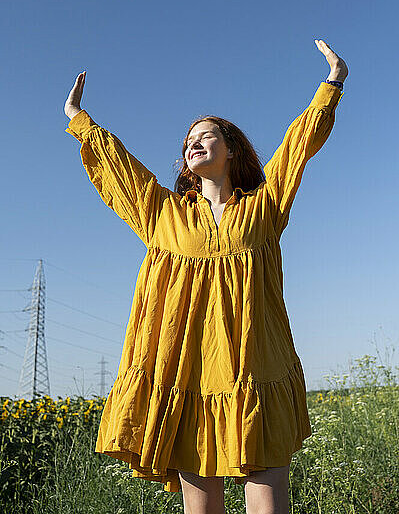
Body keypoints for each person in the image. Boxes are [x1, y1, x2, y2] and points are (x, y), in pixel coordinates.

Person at [64, 39, 348, 514]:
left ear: (231, 147)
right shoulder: (163, 214)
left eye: (206, 134)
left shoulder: (265, 205)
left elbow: (299, 146)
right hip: (190, 375)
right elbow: (120, 172)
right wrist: (79, 119)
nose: (193, 142)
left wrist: (332, 83)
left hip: (258, 371)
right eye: (187, 140)